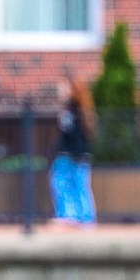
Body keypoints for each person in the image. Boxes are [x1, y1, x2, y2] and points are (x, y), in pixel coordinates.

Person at [50, 82, 97, 225]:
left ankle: (69, 215)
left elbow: (69, 136)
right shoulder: (82, 111)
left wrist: (72, 153)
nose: (59, 91)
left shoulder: (70, 112)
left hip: (71, 155)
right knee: (79, 185)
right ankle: (84, 217)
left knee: (63, 183)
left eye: (63, 88)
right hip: (79, 155)